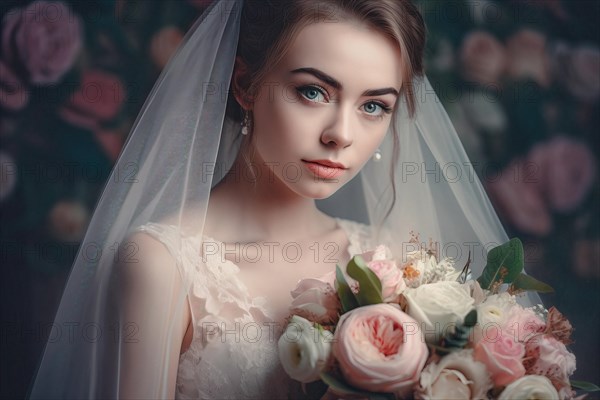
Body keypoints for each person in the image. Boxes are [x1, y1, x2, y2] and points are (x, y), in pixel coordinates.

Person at [28, 0, 540, 399]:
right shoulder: (163, 263)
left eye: (373, 106)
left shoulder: (394, 264)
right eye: (313, 92)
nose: (341, 134)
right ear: (247, 84)